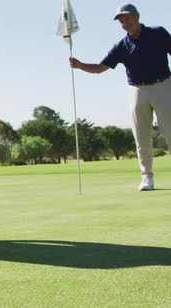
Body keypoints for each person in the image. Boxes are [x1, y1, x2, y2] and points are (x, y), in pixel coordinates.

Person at [70, 4, 171, 191]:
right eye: (121, 21)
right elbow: (100, 68)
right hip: (137, 90)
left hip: (164, 85)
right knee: (141, 137)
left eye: (127, 18)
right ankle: (146, 177)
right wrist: (79, 65)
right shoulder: (121, 46)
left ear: (137, 16)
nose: (125, 23)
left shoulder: (159, 33)